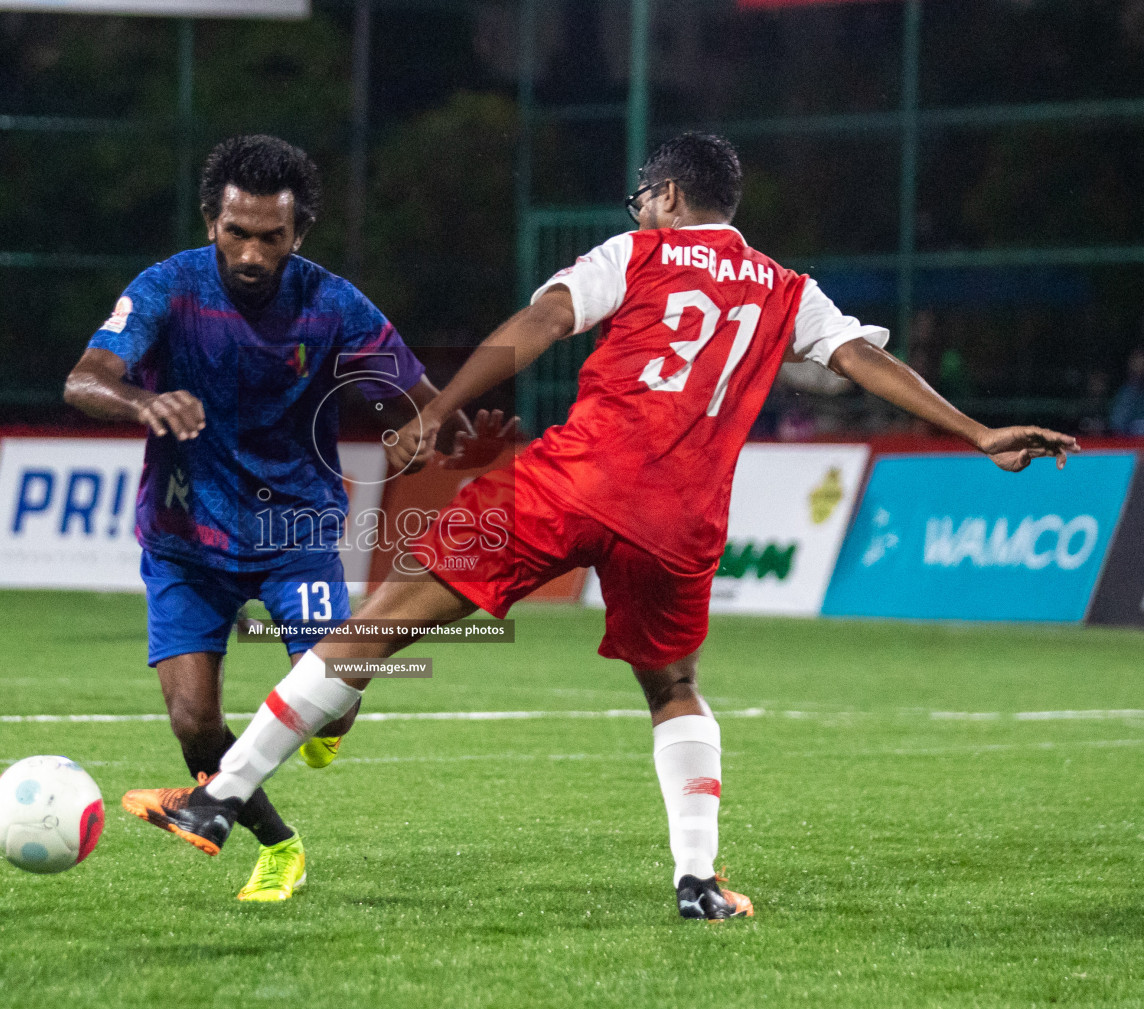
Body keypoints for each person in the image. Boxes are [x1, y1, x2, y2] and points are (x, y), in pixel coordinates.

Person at [119, 132, 1079, 919]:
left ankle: (219, 798)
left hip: (571, 483)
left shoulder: (638, 254)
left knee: (378, 623)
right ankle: (698, 883)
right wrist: (975, 430)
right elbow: (868, 366)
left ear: (664, 196)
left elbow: (536, 325)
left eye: (641, 199)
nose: (638, 212)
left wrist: (434, 409)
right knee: (674, 689)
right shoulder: (790, 289)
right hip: (683, 519)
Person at [65, 134, 511, 901]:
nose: (249, 251)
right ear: (213, 221)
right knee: (192, 723)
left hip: (293, 536)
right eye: (235, 231)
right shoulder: (167, 289)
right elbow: (84, 380)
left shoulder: (332, 303)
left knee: (333, 713)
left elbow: (417, 399)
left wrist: (433, 431)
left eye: (270, 237)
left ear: (297, 234)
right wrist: (142, 400)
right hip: (182, 541)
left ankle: (324, 723)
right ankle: (278, 847)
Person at [1109, 347, 1144, 436]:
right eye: (1135, 361)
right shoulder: (1125, 393)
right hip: (1130, 444)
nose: (1139, 365)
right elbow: (1117, 425)